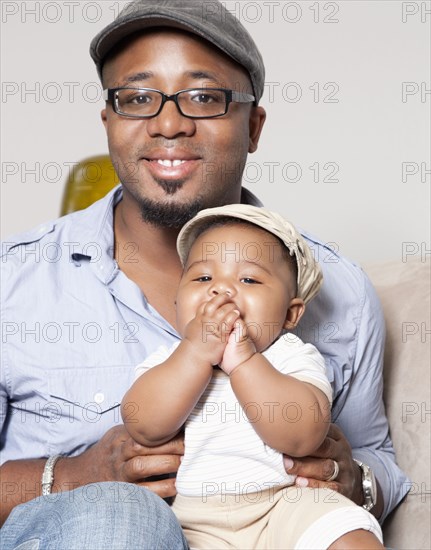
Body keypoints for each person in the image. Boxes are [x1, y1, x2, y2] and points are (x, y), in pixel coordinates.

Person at [0, 0, 408, 547]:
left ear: (254, 125)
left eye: (204, 97)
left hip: (276, 522)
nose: (169, 123)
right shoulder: (14, 280)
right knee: (123, 515)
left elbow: (377, 459)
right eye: (138, 98)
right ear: (109, 122)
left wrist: (352, 478)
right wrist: (72, 477)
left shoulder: (340, 288)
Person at [123, 204, 384, 549]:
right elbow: (144, 423)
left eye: (248, 279)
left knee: (346, 531)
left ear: (290, 314)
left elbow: (303, 435)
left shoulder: (291, 356)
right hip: (194, 521)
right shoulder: (168, 362)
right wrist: (196, 353)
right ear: (177, 303)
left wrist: (244, 362)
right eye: (203, 278)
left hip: (285, 505)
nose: (221, 291)